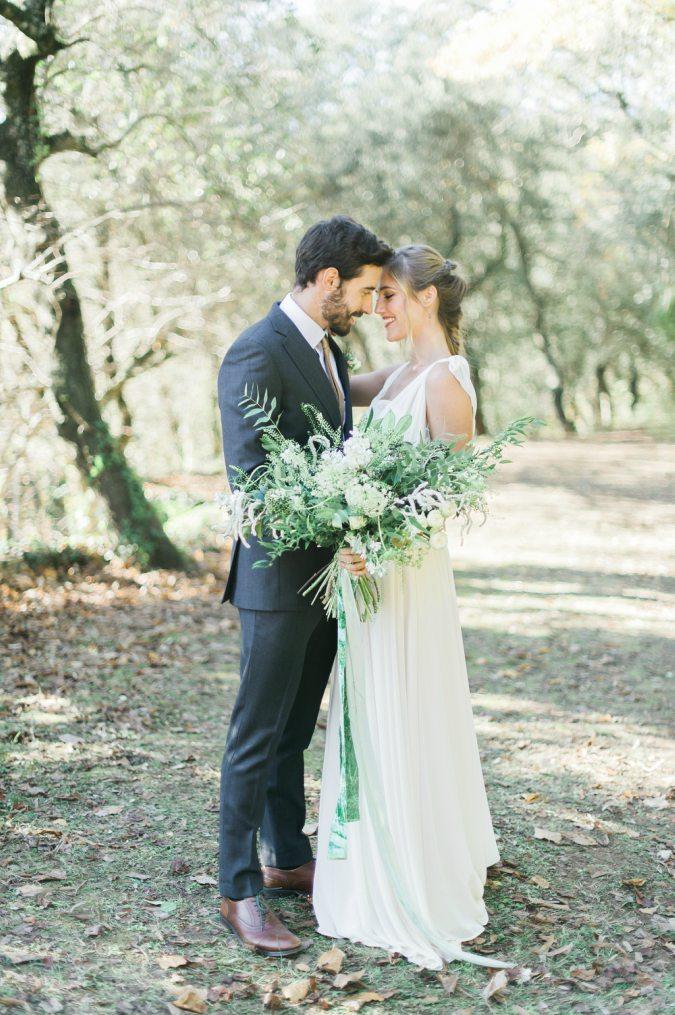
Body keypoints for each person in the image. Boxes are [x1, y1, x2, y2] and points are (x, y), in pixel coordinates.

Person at [312, 244, 511, 970]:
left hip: (404, 573)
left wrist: (380, 541)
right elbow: (328, 380)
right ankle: (367, 846)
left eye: (390, 295)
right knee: (371, 701)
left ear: (427, 298)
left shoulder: (447, 381)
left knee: (406, 703)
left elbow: (454, 493)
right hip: (370, 571)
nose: (378, 309)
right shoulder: (399, 373)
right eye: (375, 296)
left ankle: (411, 863)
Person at [216, 215, 392, 956]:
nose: (364, 304)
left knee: (294, 729)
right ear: (327, 281)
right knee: (256, 736)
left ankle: (287, 857)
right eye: (362, 291)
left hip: (325, 576)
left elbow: (335, 431)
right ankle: (236, 888)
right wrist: (335, 509)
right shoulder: (254, 353)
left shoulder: (321, 350)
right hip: (276, 577)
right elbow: (252, 482)